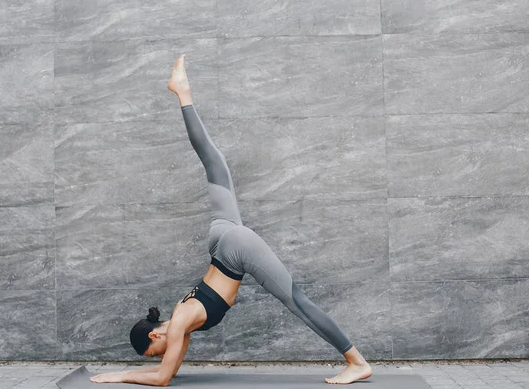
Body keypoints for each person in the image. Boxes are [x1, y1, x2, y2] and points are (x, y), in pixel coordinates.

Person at [90, 54, 373, 386]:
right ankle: (182, 92)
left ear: (155, 337)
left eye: (156, 352)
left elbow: (163, 378)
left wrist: (121, 376)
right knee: (215, 162)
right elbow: (167, 369)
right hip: (222, 244)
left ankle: (356, 361)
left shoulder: (180, 321)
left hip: (234, 251)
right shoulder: (180, 325)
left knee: (296, 301)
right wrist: (115, 374)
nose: (162, 356)